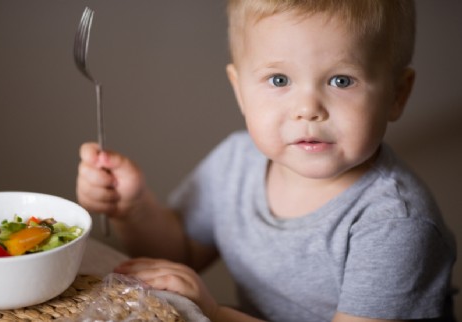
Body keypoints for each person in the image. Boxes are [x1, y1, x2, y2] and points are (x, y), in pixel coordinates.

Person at [76, 0, 457, 321]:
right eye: (279, 80)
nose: (307, 109)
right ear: (239, 90)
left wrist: (215, 313)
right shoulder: (236, 163)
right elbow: (177, 254)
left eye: (341, 80)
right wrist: (134, 208)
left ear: (397, 95)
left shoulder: (395, 225)